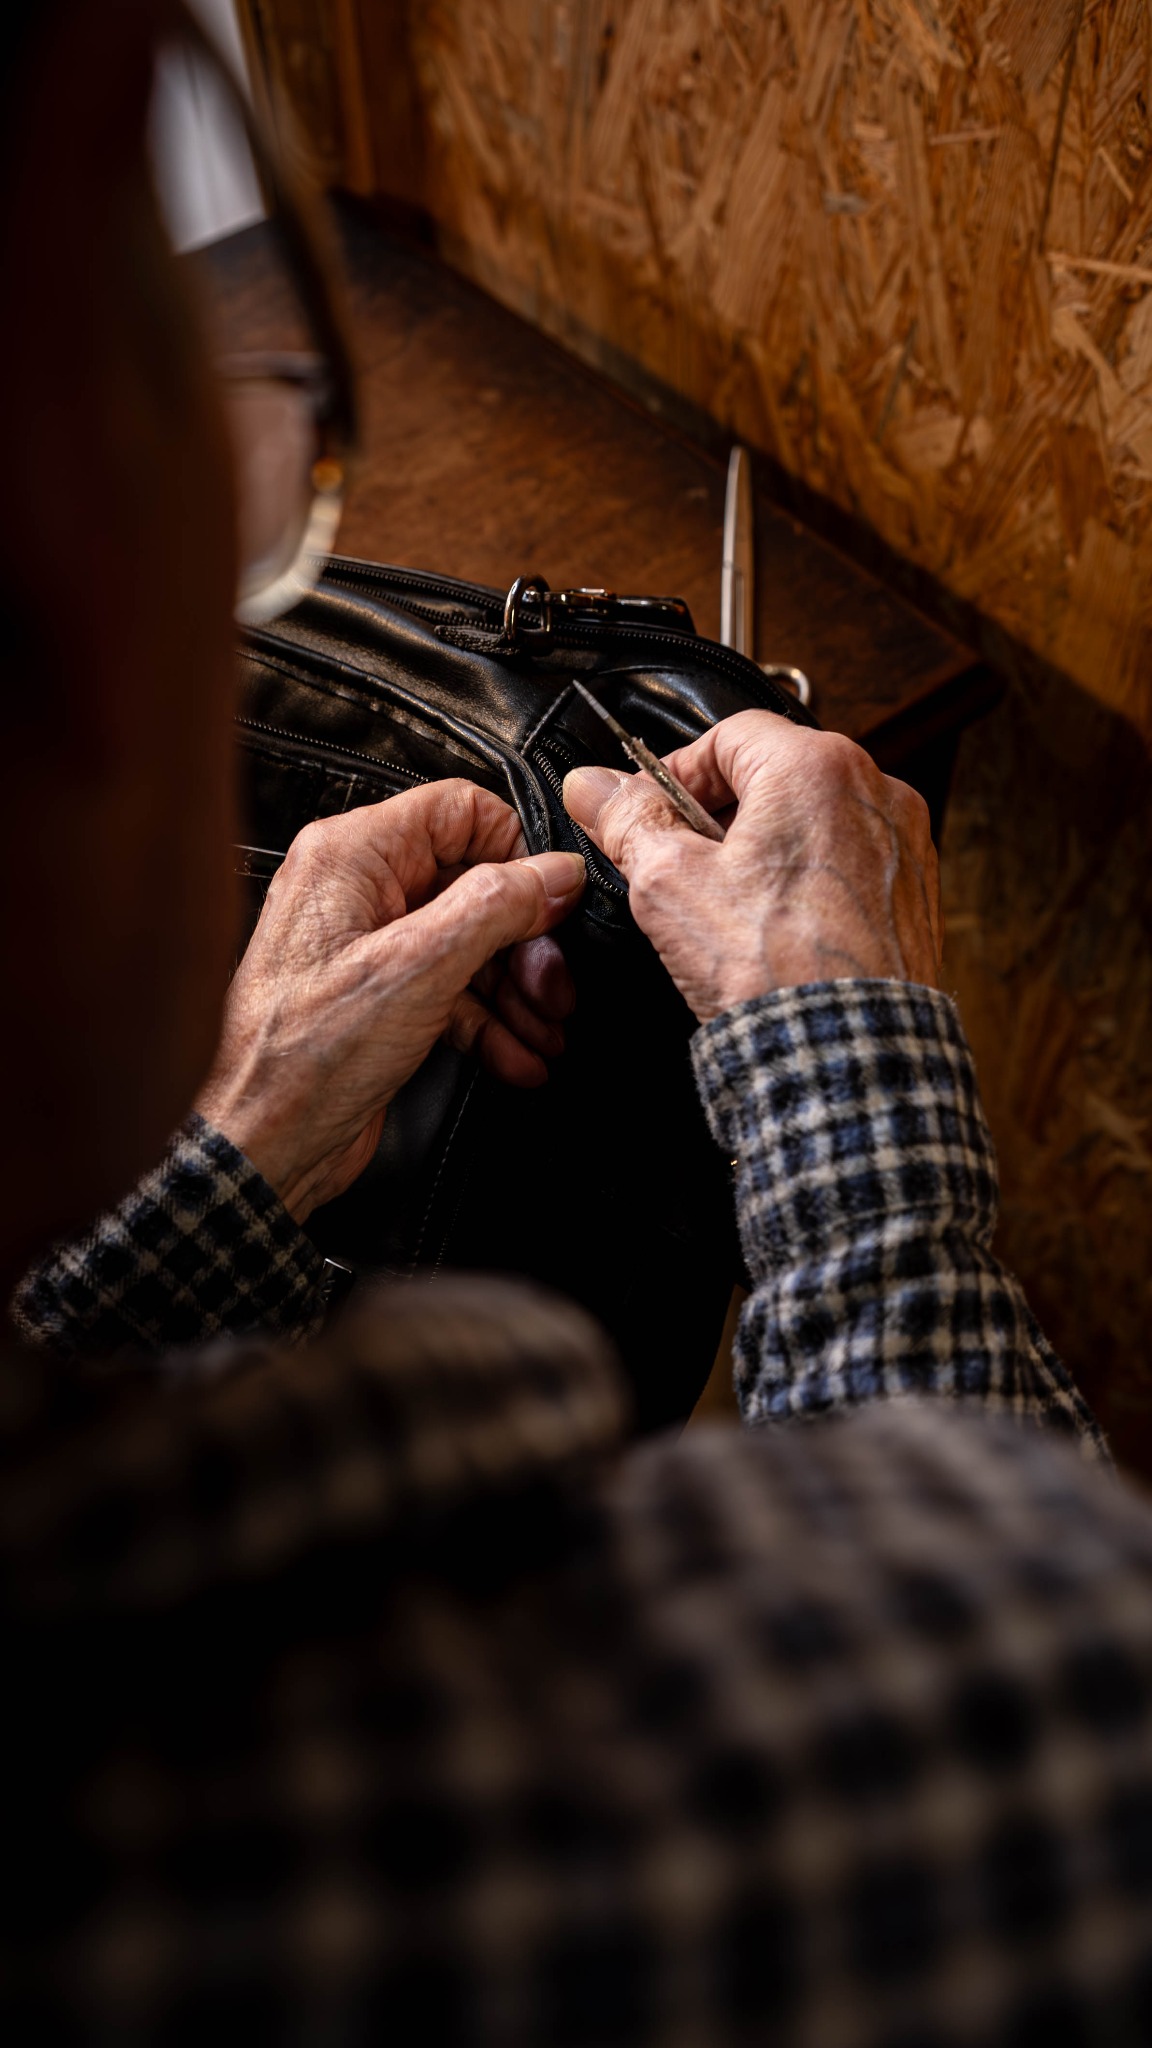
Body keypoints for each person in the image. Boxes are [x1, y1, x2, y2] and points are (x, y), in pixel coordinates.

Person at [3, 1, 1152, 2040]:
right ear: (90, 569)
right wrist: (848, 1052)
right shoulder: (637, 1830)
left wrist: (234, 1172)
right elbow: (1034, 1678)